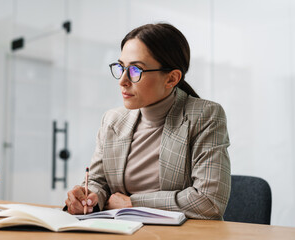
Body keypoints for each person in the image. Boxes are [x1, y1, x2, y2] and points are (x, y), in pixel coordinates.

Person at [64, 23, 231, 220]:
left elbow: (208, 201)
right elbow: (98, 182)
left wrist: (133, 203)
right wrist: (89, 197)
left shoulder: (205, 116)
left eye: (135, 70)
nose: (122, 80)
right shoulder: (113, 120)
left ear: (171, 79)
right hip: (121, 231)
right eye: (121, 67)